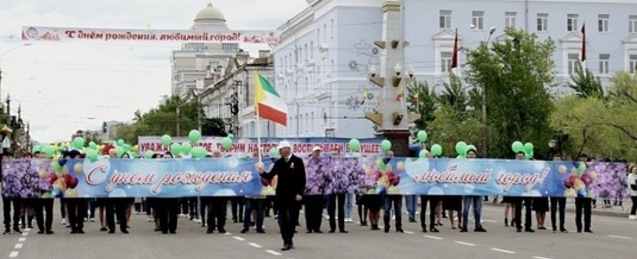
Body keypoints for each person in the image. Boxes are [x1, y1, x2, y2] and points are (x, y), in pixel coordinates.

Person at [258, 141, 306, 251]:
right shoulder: (279, 163)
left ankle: (290, 238)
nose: (281, 152)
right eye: (280, 150)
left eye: (282, 149)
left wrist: (300, 193)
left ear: (287, 149)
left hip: (294, 195)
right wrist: (262, 173)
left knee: (293, 218)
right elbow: (270, 175)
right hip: (282, 194)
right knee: (283, 218)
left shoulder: (297, 161)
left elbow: (302, 178)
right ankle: (285, 240)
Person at [460, 149, 487, 233]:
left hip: (478, 189)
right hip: (467, 189)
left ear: (475, 155)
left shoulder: (479, 165)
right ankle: (464, 225)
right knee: (466, 208)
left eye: (473, 154)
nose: (471, 156)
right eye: (470, 154)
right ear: (467, 156)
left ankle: (478, 225)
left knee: (478, 208)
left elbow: (484, 174)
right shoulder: (464, 165)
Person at [303, 146, 325, 234]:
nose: (317, 153)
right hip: (309, 190)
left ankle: (317, 227)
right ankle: (309, 227)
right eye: (316, 152)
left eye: (318, 152)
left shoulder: (322, 162)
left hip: (319, 190)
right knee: (309, 209)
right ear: (312, 152)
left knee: (318, 210)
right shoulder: (307, 162)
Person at [382, 150, 404, 233]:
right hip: (388, 190)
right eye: (390, 155)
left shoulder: (398, 164)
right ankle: (386, 226)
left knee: (398, 209)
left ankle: (399, 226)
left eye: (393, 155)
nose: (391, 157)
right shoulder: (385, 165)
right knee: (387, 209)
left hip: (398, 190)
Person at [65, 150, 86, 234]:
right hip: (71, 190)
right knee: (71, 209)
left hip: (81, 190)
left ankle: (80, 226)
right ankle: (73, 226)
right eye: (77, 156)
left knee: (81, 209)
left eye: (79, 156)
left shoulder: (83, 165)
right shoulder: (68, 165)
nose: (78, 158)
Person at [328, 147, 348, 234]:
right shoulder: (328, 163)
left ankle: (341, 227)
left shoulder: (343, 163)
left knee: (341, 207)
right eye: (334, 154)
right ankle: (332, 227)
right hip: (331, 187)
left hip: (341, 187)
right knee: (331, 207)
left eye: (337, 153)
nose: (335, 155)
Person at [513, 151, 534, 233]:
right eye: (519, 156)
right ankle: (518, 226)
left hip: (527, 189)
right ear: (516, 157)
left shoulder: (528, 166)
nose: (520, 158)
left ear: (524, 157)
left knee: (528, 208)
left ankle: (528, 226)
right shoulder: (513, 166)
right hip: (518, 190)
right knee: (518, 208)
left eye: (522, 156)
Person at [550, 154, 568, 233]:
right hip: (553, 191)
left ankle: (562, 226)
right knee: (553, 209)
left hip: (562, 191)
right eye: (556, 159)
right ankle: (554, 226)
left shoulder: (564, 168)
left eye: (558, 159)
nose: (557, 160)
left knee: (562, 209)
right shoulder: (551, 168)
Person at [575, 154, 593, 233]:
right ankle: (579, 227)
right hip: (579, 191)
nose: (583, 159)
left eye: (585, 158)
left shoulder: (590, 167)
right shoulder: (577, 166)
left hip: (588, 191)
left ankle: (587, 227)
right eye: (582, 158)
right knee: (578, 211)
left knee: (588, 210)